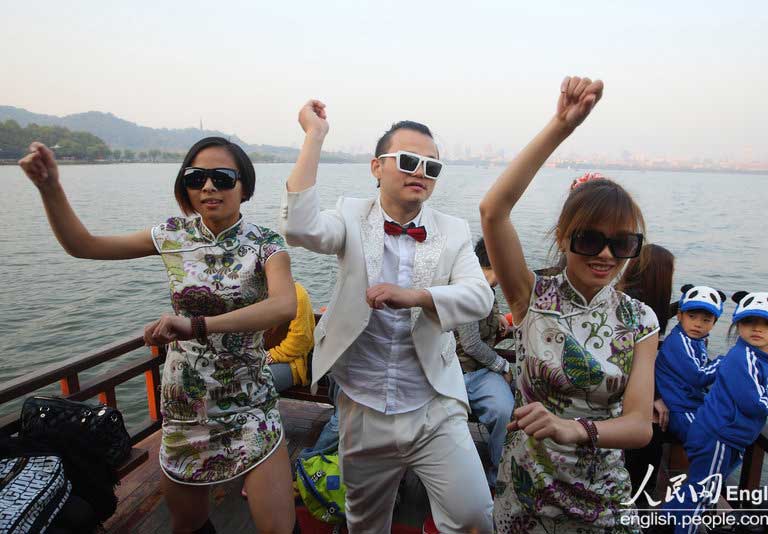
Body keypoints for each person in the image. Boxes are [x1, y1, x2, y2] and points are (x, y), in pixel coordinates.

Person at [18, 138, 298, 534]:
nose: (208, 187)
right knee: (188, 523)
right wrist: (50, 189)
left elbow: (284, 305)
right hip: (186, 403)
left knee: (279, 528)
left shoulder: (266, 243)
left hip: (250, 399)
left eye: (222, 177)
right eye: (195, 177)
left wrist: (196, 325)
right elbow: (84, 246)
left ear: (245, 187)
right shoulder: (172, 235)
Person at [279, 100, 495, 533]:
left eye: (432, 167)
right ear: (377, 166)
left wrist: (416, 296)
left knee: (474, 514)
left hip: (434, 406)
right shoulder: (350, 215)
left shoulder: (453, 229)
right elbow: (299, 229)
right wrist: (314, 136)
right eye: (410, 161)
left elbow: (479, 298)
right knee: (365, 522)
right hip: (361, 405)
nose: (421, 172)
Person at [480, 76, 660, 533]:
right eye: (589, 239)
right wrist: (561, 126)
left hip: (602, 494)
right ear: (564, 238)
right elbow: (493, 211)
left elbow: (639, 425)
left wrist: (573, 428)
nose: (605, 254)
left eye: (622, 243)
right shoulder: (531, 295)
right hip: (526, 490)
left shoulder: (640, 320)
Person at [661, 290, 768, 534]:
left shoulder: (759, 357)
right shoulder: (741, 357)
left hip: (722, 436)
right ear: (738, 325)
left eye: (767, 324)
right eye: (749, 322)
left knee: (697, 487)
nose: (757, 329)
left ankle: (661, 523)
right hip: (719, 438)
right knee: (702, 495)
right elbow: (754, 404)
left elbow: (752, 388)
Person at [455, 237, 514, 490]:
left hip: (481, 373)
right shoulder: (469, 290)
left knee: (504, 411)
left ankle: (497, 478)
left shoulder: (487, 290)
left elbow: (490, 307)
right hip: (454, 372)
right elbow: (470, 343)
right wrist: (503, 365)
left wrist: (498, 315)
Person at [618, 245, 675, 501]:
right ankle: (639, 500)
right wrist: (655, 396)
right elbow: (631, 360)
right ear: (660, 275)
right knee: (652, 433)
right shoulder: (638, 310)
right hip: (626, 394)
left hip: (625, 389)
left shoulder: (630, 298)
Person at [655, 284, 726, 444]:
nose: (698, 324)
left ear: (714, 323)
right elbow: (699, 377)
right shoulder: (680, 342)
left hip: (685, 402)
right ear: (680, 315)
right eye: (692, 317)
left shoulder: (693, 339)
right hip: (678, 407)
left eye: (706, 320)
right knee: (708, 443)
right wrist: (725, 360)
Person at [264, 281, 315, 391]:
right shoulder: (250, 292)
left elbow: (300, 341)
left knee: (256, 381)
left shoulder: (297, 293)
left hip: (291, 361)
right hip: (256, 356)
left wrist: (270, 355)